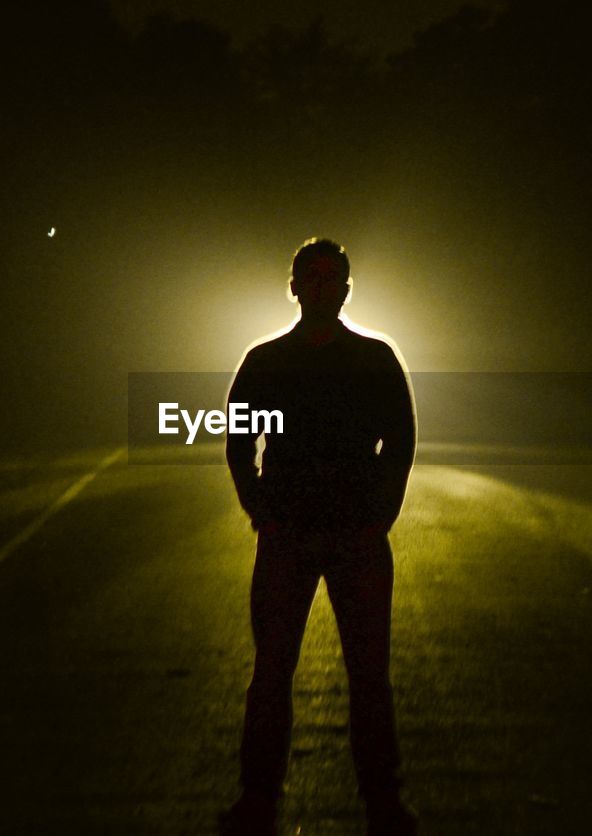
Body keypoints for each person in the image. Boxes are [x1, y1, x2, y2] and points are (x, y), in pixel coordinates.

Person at [219, 239, 418, 836]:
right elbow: (235, 443)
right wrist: (263, 510)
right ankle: (266, 799)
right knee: (278, 671)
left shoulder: (366, 359)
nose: (324, 286)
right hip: (297, 534)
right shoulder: (271, 361)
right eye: (315, 277)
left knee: (363, 673)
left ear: (345, 289)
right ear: (296, 286)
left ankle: (371, 799)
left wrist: (379, 515)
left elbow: (402, 444)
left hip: (345, 535)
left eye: (333, 278)